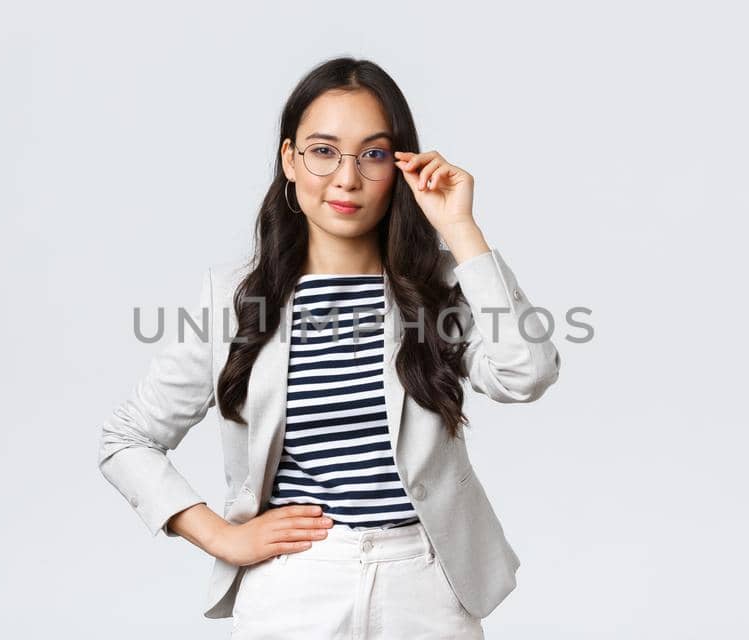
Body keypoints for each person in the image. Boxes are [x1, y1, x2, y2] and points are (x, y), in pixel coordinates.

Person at [99, 56, 562, 639]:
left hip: (426, 583)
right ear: (290, 160)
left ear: (400, 167)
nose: (347, 179)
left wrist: (461, 230)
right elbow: (128, 439)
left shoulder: (438, 287)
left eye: (372, 154)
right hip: (295, 586)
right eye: (323, 151)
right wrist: (220, 534)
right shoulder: (234, 298)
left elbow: (527, 374)